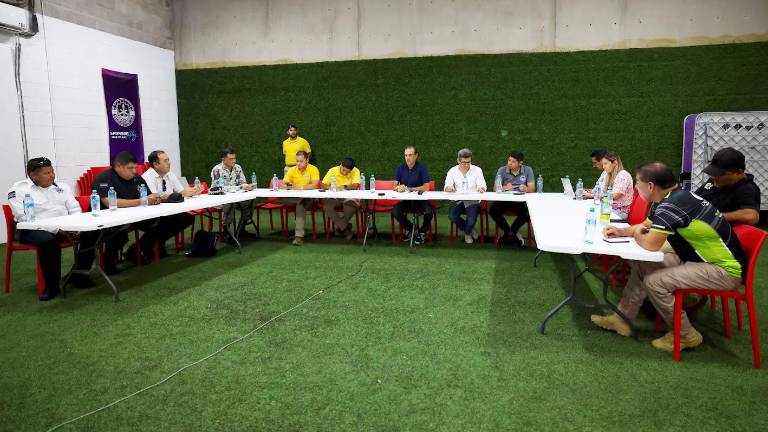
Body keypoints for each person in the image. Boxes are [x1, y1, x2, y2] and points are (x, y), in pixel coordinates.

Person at [591, 161, 747, 353]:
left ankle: (686, 335)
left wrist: (638, 233)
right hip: (698, 261)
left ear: (650, 186)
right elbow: (645, 226)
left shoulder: (673, 204)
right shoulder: (671, 198)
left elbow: (650, 243)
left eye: (637, 183)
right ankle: (622, 319)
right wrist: (622, 231)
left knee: (656, 282)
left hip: (725, 271)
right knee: (644, 263)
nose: (636, 188)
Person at [7, 157, 96, 300]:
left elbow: (74, 208)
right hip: (32, 229)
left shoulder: (62, 187)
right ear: (33, 175)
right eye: (47, 173)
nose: (52, 175)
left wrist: (78, 225)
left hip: (64, 227)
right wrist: (57, 230)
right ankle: (52, 286)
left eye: (52, 171)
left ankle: (80, 275)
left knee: (93, 232)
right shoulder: (18, 190)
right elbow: (24, 218)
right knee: (48, 241)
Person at [92, 151, 187, 271]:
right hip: (108, 219)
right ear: (118, 166)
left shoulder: (137, 178)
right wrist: (142, 201)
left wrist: (154, 199)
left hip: (137, 216)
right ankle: (107, 261)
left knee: (163, 222)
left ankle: (138, 250)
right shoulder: (104, 178)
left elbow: (150, 196)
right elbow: (109, 202)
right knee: (119, 235)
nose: (134, 171)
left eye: (135, 168)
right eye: (130, 168)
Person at [141, 150, 198, 254]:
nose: (169, 162)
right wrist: (172, 196)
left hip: (168, 210)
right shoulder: (147, 177)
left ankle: (159, 242)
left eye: (168, 160)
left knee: (188, 218)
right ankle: (141, 247)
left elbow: (182, 191)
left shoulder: (169, 174)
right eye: (165, 160)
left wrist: (193, 191)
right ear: (156, 164)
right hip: (152, 213)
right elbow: (154, 198)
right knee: (164, 222)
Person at [695, 147, 761, 226]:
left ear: (739, 172)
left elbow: (751, 216)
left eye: (721, 174)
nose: (715, 177)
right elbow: (693, 198)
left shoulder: (747, 189)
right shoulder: (714, 180)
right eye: (714, 172)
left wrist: (713, 216)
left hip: (717, 232)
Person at [489, 151, 535, 247]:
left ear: (520, 163)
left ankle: (509, 233)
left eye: (513, 161)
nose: (510, 163)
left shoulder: (528, 170)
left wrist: (526, 188)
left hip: (520, 202)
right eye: (509, 160)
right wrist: (505, 187)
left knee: (528, 212)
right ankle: (511, 233)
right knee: (493, 210)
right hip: (505, 202)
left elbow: (532, 188)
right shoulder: (502, 170)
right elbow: (495, 189)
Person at [210, 148, 256, 241]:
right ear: (223, 159)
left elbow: (242, 182)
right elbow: (220, 188)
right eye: (231, 159)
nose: (234, 161)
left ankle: (241, 230)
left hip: (236, 198)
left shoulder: (237, 167)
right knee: (229, 203)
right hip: (220, 199)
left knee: (249, 201)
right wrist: (240, 187)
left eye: (234, 158)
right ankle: (226, 231)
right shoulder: (216, 170)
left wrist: (247, 186)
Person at [391, 146, 433, 245]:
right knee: (395, 212)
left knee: (429, 212)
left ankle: (423, 232)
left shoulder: (422, 167)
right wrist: (398, 187)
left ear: (416, 156)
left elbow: (426, 187)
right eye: (405, 155)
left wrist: (410, 188)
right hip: (406, 201)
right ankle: (412, 229)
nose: (407, 158)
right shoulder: (400, 168)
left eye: (410, 155)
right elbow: (394, 185)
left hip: (420, 200)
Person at [444, 148, 486, 244]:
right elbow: (446, 186)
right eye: (464, 162)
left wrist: (481, 188)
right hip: (458, 200)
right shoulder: (452, 171)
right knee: (452, 216)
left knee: (471, 221)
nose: (466, 165)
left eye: (469, 162)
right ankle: (469, 230)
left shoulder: (477, 170)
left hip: (473, 201)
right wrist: (449, 188)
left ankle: (467, 232)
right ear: (458, 160)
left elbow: (482, 185)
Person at [282, 151, 320, 245]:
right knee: (294, 201)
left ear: (307, 160)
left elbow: (315, 185)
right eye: (297, 161)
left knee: (300, 205)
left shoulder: (314, 169)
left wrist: (301, 187)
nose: (298, 163)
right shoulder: (292, 170)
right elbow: (283, 184)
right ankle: (299, 237)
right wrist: (288, 186)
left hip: (310, 198)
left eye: (301, 161)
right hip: (295, 198)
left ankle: (298, 237)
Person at [586, 152, 633, 219]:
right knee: (589, 212)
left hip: (618, 212)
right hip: (609, 208)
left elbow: (615, 195)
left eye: (605, 164)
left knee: (592, 215)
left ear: (614, 163)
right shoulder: (609, 175)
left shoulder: (623, 175)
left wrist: (593, 195)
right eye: (603, 164)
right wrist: (592, 194)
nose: (603, 167)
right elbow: (602, 191)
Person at [322, 158, 361, 241]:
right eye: (343, 170)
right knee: (327, 207)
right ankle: (346, 229)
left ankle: (340, 228)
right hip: (334, 197)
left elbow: (355, 186)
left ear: (352, 170)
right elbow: (323, 185)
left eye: (348, 172)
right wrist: (333, 187)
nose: (345, 173)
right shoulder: (333, 170)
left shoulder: (356, 171)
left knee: (350, 205)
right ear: (341, 165)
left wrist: (344, 187)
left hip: (349, 197)